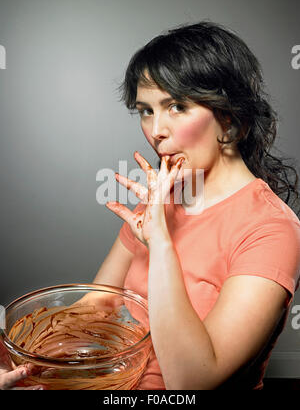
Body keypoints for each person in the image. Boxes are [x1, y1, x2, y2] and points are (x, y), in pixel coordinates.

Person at [1, 20, 300, 390]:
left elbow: (193, 382)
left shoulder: (271, 229)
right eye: (146, 110)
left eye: (176, 106)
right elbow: (100, 304)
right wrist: (17, 355)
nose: (156, 130)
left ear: (229, 118)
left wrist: (160, 243)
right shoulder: (161, 202)